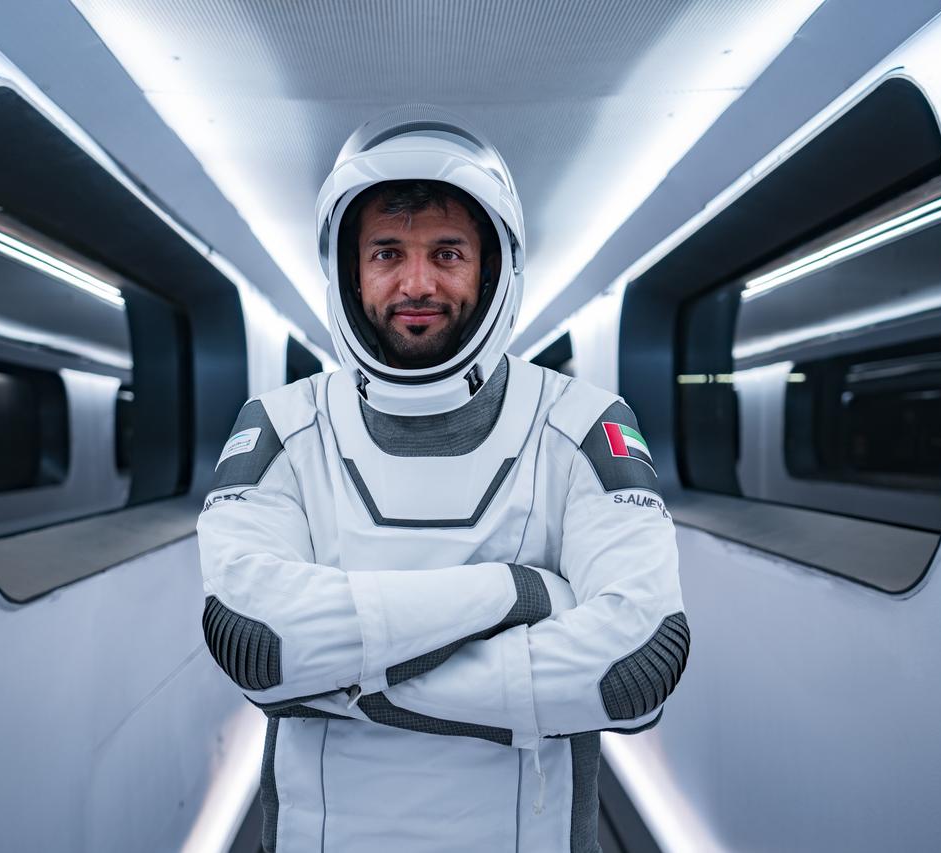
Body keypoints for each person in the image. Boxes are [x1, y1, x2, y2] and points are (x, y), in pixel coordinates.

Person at [198, 107, 687, 853]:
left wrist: (338, 684)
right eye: (386, 253)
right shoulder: (281, 425)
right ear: (347, 271)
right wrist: (524, 593)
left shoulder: (582, 423)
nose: (416, 283)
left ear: (493, 269)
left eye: (448, 252)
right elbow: (256, 640)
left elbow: (636, 660)